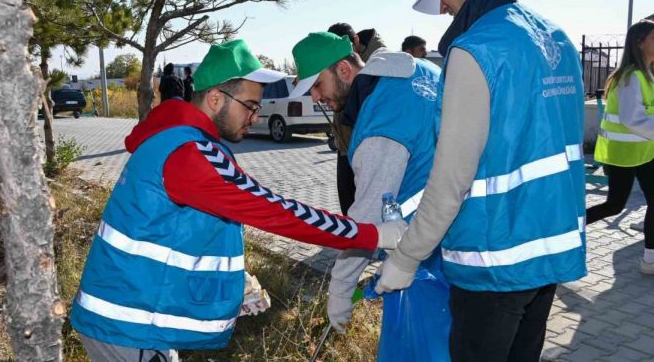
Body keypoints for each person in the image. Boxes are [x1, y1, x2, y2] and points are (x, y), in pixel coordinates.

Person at [70, 39, 407, 362]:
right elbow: (276, 210)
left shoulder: (175, 141)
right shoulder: (189, 153)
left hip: (131, 319)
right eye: (251, 106)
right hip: (129, 326)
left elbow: (172, 236)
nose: (256, 117)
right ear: (216, 99)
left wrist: (230, 287)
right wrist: (371, 234)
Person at [374, 0, 587, 362]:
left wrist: (406, 259)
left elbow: (452, 178)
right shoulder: (557, 40)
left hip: (494, 263)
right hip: (549, 253)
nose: (444, 6)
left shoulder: (476, 49)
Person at [289, 32, 449, 361]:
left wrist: (340, 291)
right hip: (465, 242)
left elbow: (365, 217)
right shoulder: (421, 72)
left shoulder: (379, 123)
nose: (316, 98)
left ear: (344, 71)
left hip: (427, 262)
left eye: (317, 85)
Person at [588, 20, 654, 274]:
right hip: (622, 154)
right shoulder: (630, 78)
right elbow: (631, 119)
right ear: (639, 43)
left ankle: (649, 260)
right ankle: (568, 230)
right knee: (614, 206)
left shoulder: (649, 75)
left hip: (646, 152)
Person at [325, 22, 388, 215]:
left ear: (356, 41)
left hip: (369, 149)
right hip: (345, 147)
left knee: (369, 208)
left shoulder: (380, 65)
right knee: (348, 204)